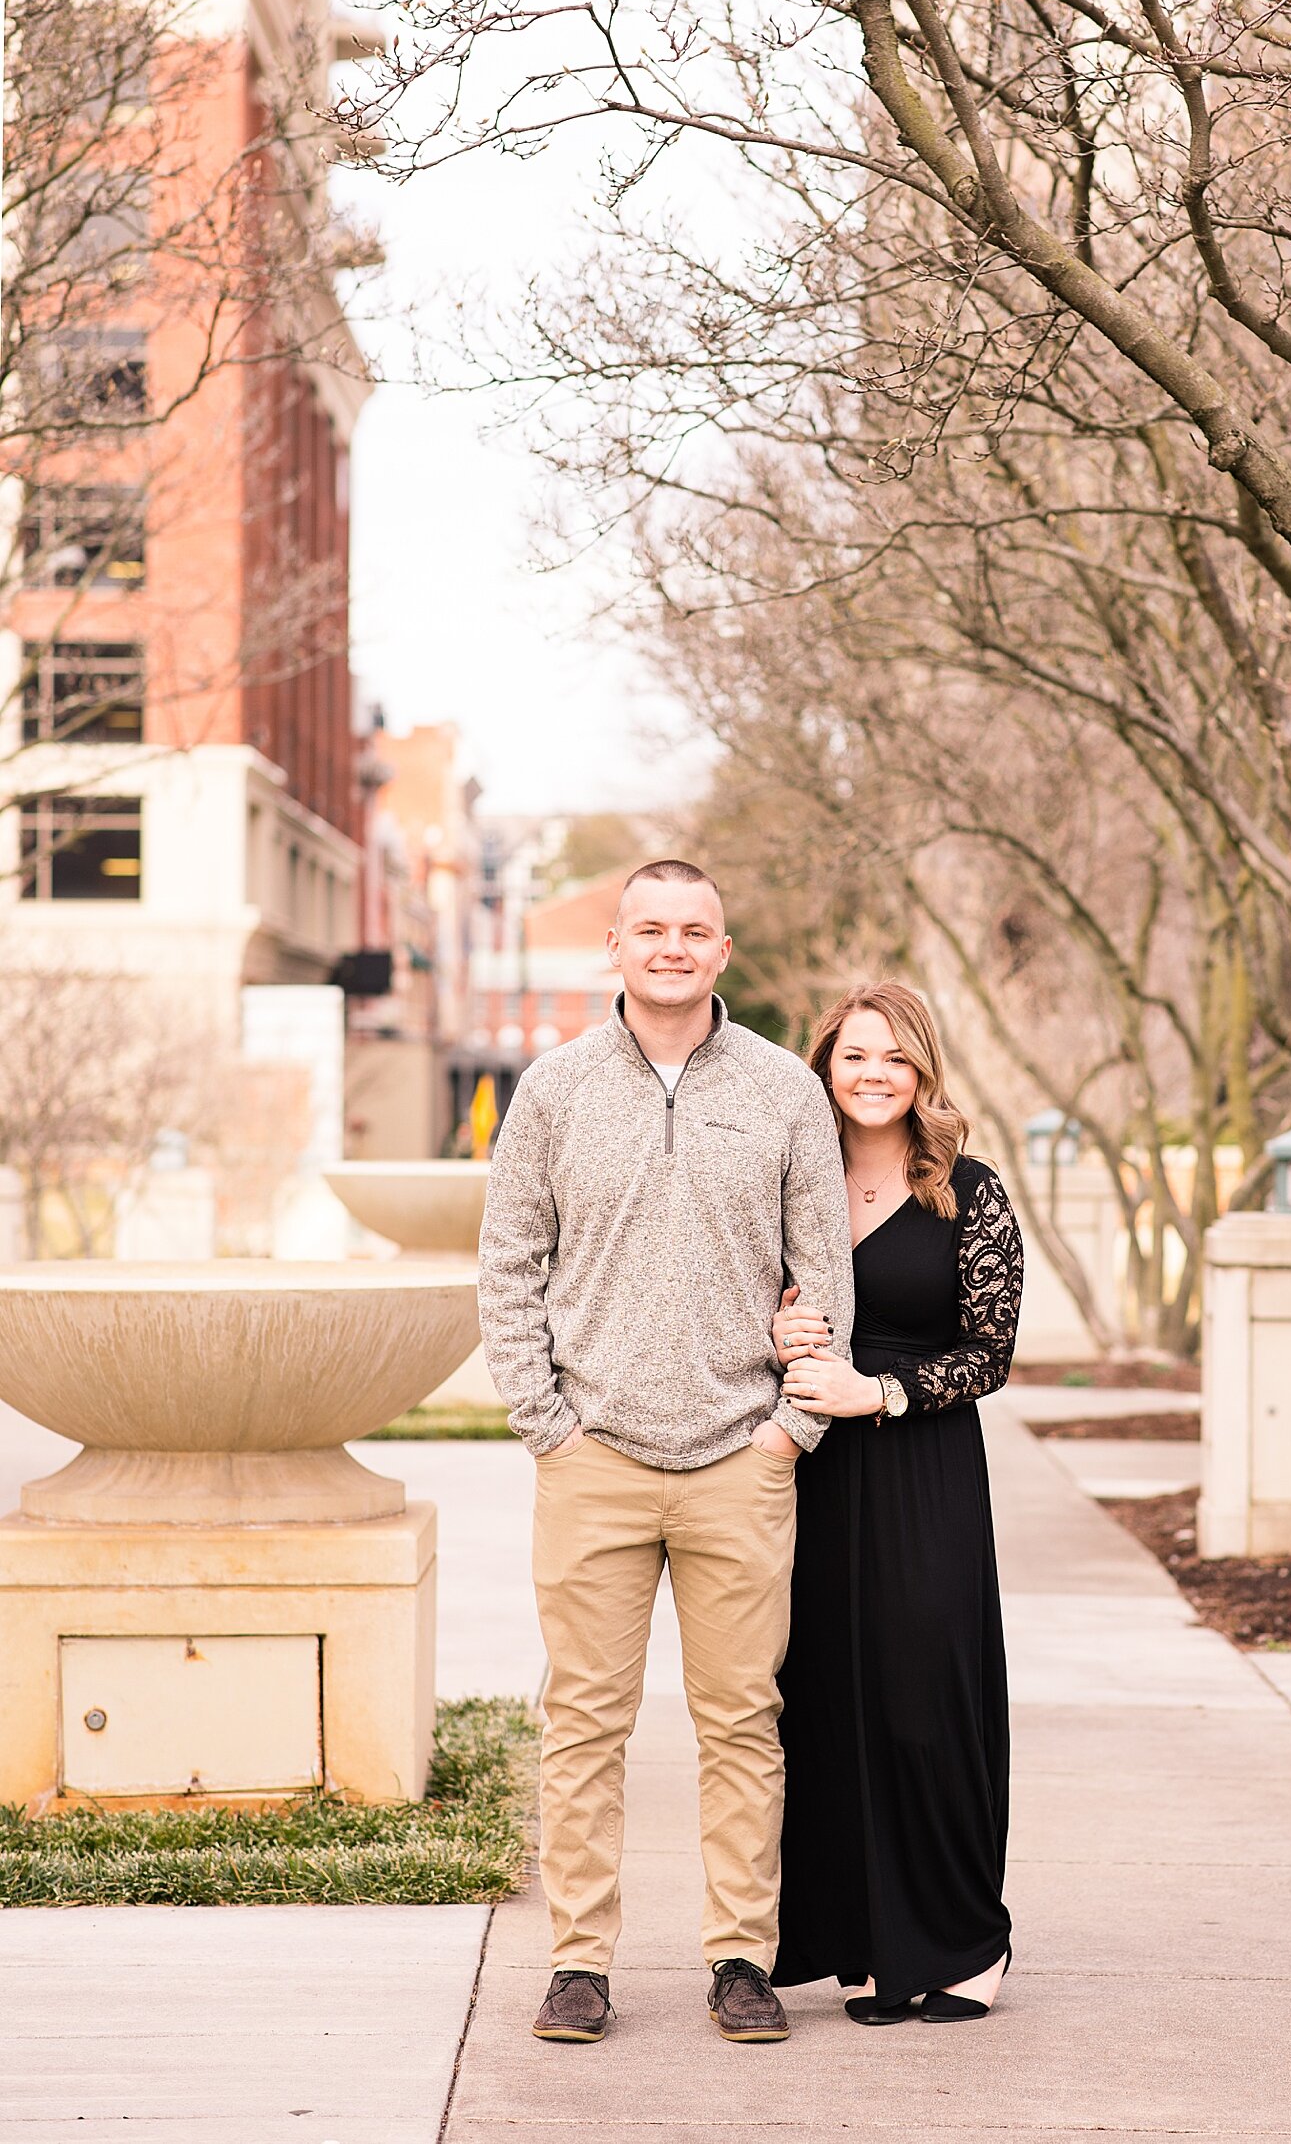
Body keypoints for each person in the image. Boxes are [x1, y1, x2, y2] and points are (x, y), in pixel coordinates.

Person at [478, 860, 854, 2048]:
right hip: (593, 1459)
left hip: (740, 1461)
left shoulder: (788, 1091)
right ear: (617, 946)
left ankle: (740, 1957)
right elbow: (507, 1269)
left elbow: (825, 1269)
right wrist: (546, 1422)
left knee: (741, 1722)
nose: (673, 947)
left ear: (723, 951)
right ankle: (579, 1962)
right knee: (584, 1723)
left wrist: (787, 1432)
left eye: (694, 931)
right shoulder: (553, 1089)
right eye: (652, 929)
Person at [769, 981, 1024, 2024]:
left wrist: (882, 1390)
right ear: (824, 1065)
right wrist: (780, 1339)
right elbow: (745, 1300)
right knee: (826, 1701)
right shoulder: (793, 1182)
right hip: (813, 1470)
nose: (873, 1074)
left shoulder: (968, 1189)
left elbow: (992, 1351)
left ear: (923, 1074)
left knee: (927, 1702)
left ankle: (965, 1943)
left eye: (895, 1058)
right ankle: (869, 1943)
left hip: (922, 1469)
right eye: (854, 1055)